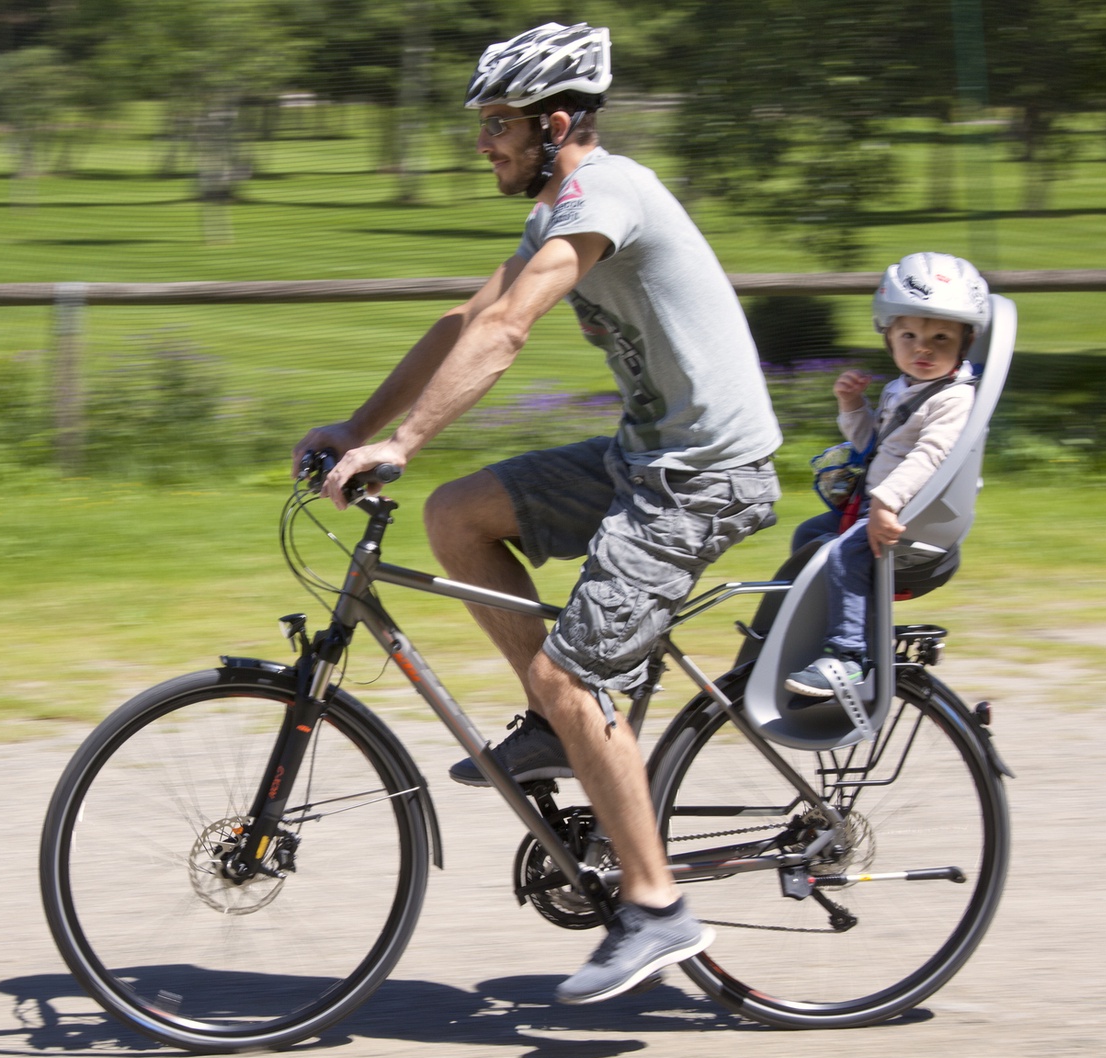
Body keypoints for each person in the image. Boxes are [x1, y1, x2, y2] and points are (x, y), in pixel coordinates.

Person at [291, 22, 782, 1005]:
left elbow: (510, 332)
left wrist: (402, 441)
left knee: (571, 670)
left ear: (557, 123)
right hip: (644, 458)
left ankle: (655, 902)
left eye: (499, 124)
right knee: (459, 515)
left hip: (704, 475)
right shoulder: (558, 206)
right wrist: (358, 421)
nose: (484, 143)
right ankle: (565, 728)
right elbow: (466, 321)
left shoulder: (605, 195)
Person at [785, 252, 990, 698]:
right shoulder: (907, 388)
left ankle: (849, 656)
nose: (923, 347)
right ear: (890, 338)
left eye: (940, 338)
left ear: (963, 344)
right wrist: (852, 407)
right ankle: (815, 628)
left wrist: (886, 502)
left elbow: (930, 456)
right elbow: (873, 448)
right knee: (808, 538)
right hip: (881, 506)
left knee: (845, 555)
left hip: (907, 515)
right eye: (910, 335)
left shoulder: (952, 399)